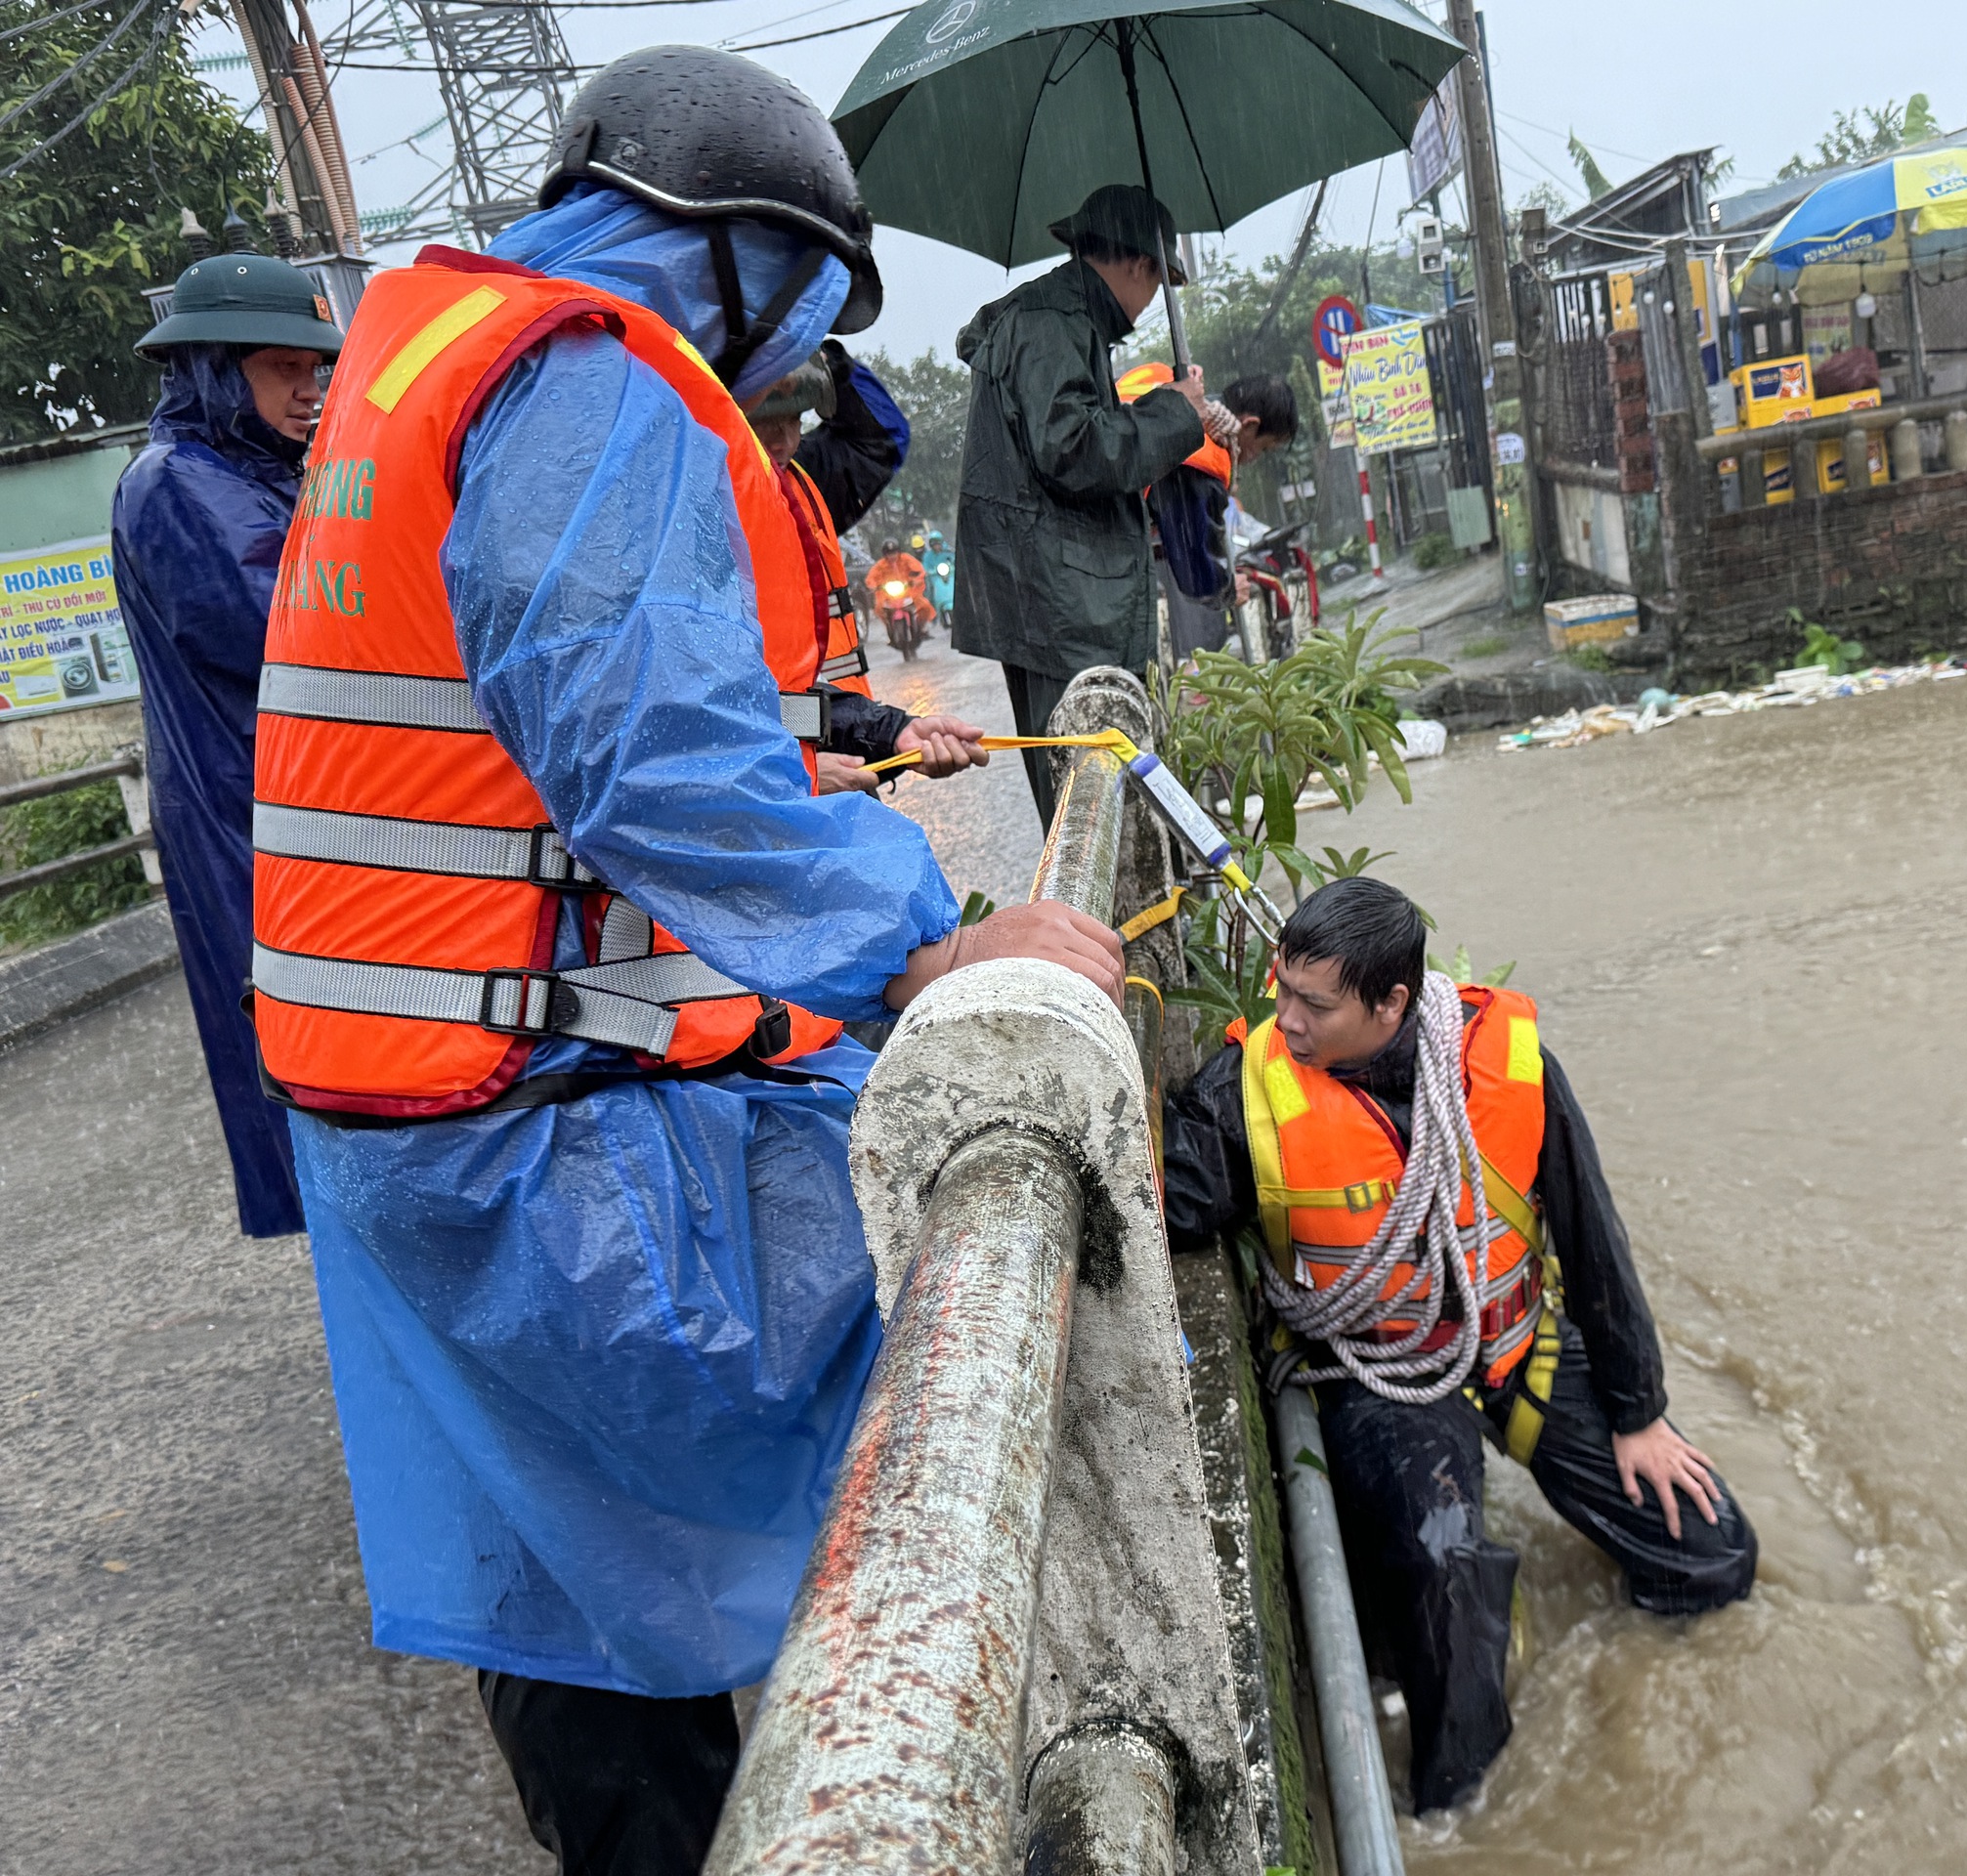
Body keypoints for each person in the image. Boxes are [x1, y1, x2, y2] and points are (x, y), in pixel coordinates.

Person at [247, 46, 1125, 1875]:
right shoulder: (585, 381)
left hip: (396, 1116)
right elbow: (655, 762)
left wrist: (839, 735)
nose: (799, 351)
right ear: (731, 254)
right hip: (527, 1129)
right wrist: (950, 951)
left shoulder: (417, 352)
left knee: (565, 1586)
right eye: (804, 294)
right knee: (928, 1261)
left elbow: (539, 718)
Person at [1163, 877, 1758, 1814]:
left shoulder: (1510, 1068)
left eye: (1313, 1004)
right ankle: (1461, 1812)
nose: (1287, 1019)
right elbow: (1176, 1192)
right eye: (1283, 992)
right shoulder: (1255, 1086)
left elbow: (1594, 1237)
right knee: (1442, 1587)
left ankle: (1573, 1648)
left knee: (1712, 1552)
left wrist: (1641, 1416)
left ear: (1392, 1002)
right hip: (1377, 1375)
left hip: (1510, 1344)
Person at [110, 251, 342, 1240]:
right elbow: (297, 637)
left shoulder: (262, 478)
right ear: (212, 368)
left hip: (299, 815)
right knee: (322, 1085)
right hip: (255, 823)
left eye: (315, 365)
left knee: (354, 1077)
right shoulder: (178, 484)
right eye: (281, 366)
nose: (309, 386)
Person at [953, 183, 1218, 823]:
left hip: (1063, 606)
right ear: (1137, 264)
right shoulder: (1052, 326)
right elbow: (1073, 449)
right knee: (1089, 816)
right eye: (1159, 280)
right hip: (1064, 612)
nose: (1154, 299)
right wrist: (1174, 412)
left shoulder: (1069, 325)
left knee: (1100, 805)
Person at [743, 359, 983, 792]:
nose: (786, 439)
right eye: (764, 421)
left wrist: (889, 733)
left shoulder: (802, 480)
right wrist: (801, 774)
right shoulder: (691, 518)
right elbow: (709, 714)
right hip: (780, 784)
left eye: (795, 419)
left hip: (833, 742)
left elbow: (883, 435)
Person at [1114, 366, 1299, 658]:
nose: (1253, 459)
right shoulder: (1199, 454)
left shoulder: (1175, 388)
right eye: (1262, 448)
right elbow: (1193, 570)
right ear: (1249, 425)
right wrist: (1227, 588)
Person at [865, 533, 938, 633]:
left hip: (908, 590)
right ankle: (888, 626)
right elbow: (871, 577)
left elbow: (919, 570)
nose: (892, 556)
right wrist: (873, 586)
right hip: (888, 593)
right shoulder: (880, 565)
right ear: (885, 554)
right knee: (878, 607)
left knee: (924, 604)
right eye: (889, 553)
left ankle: (922, 624)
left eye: (894, 552)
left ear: (898, 552)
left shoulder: (906, 559)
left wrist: (916, 580)